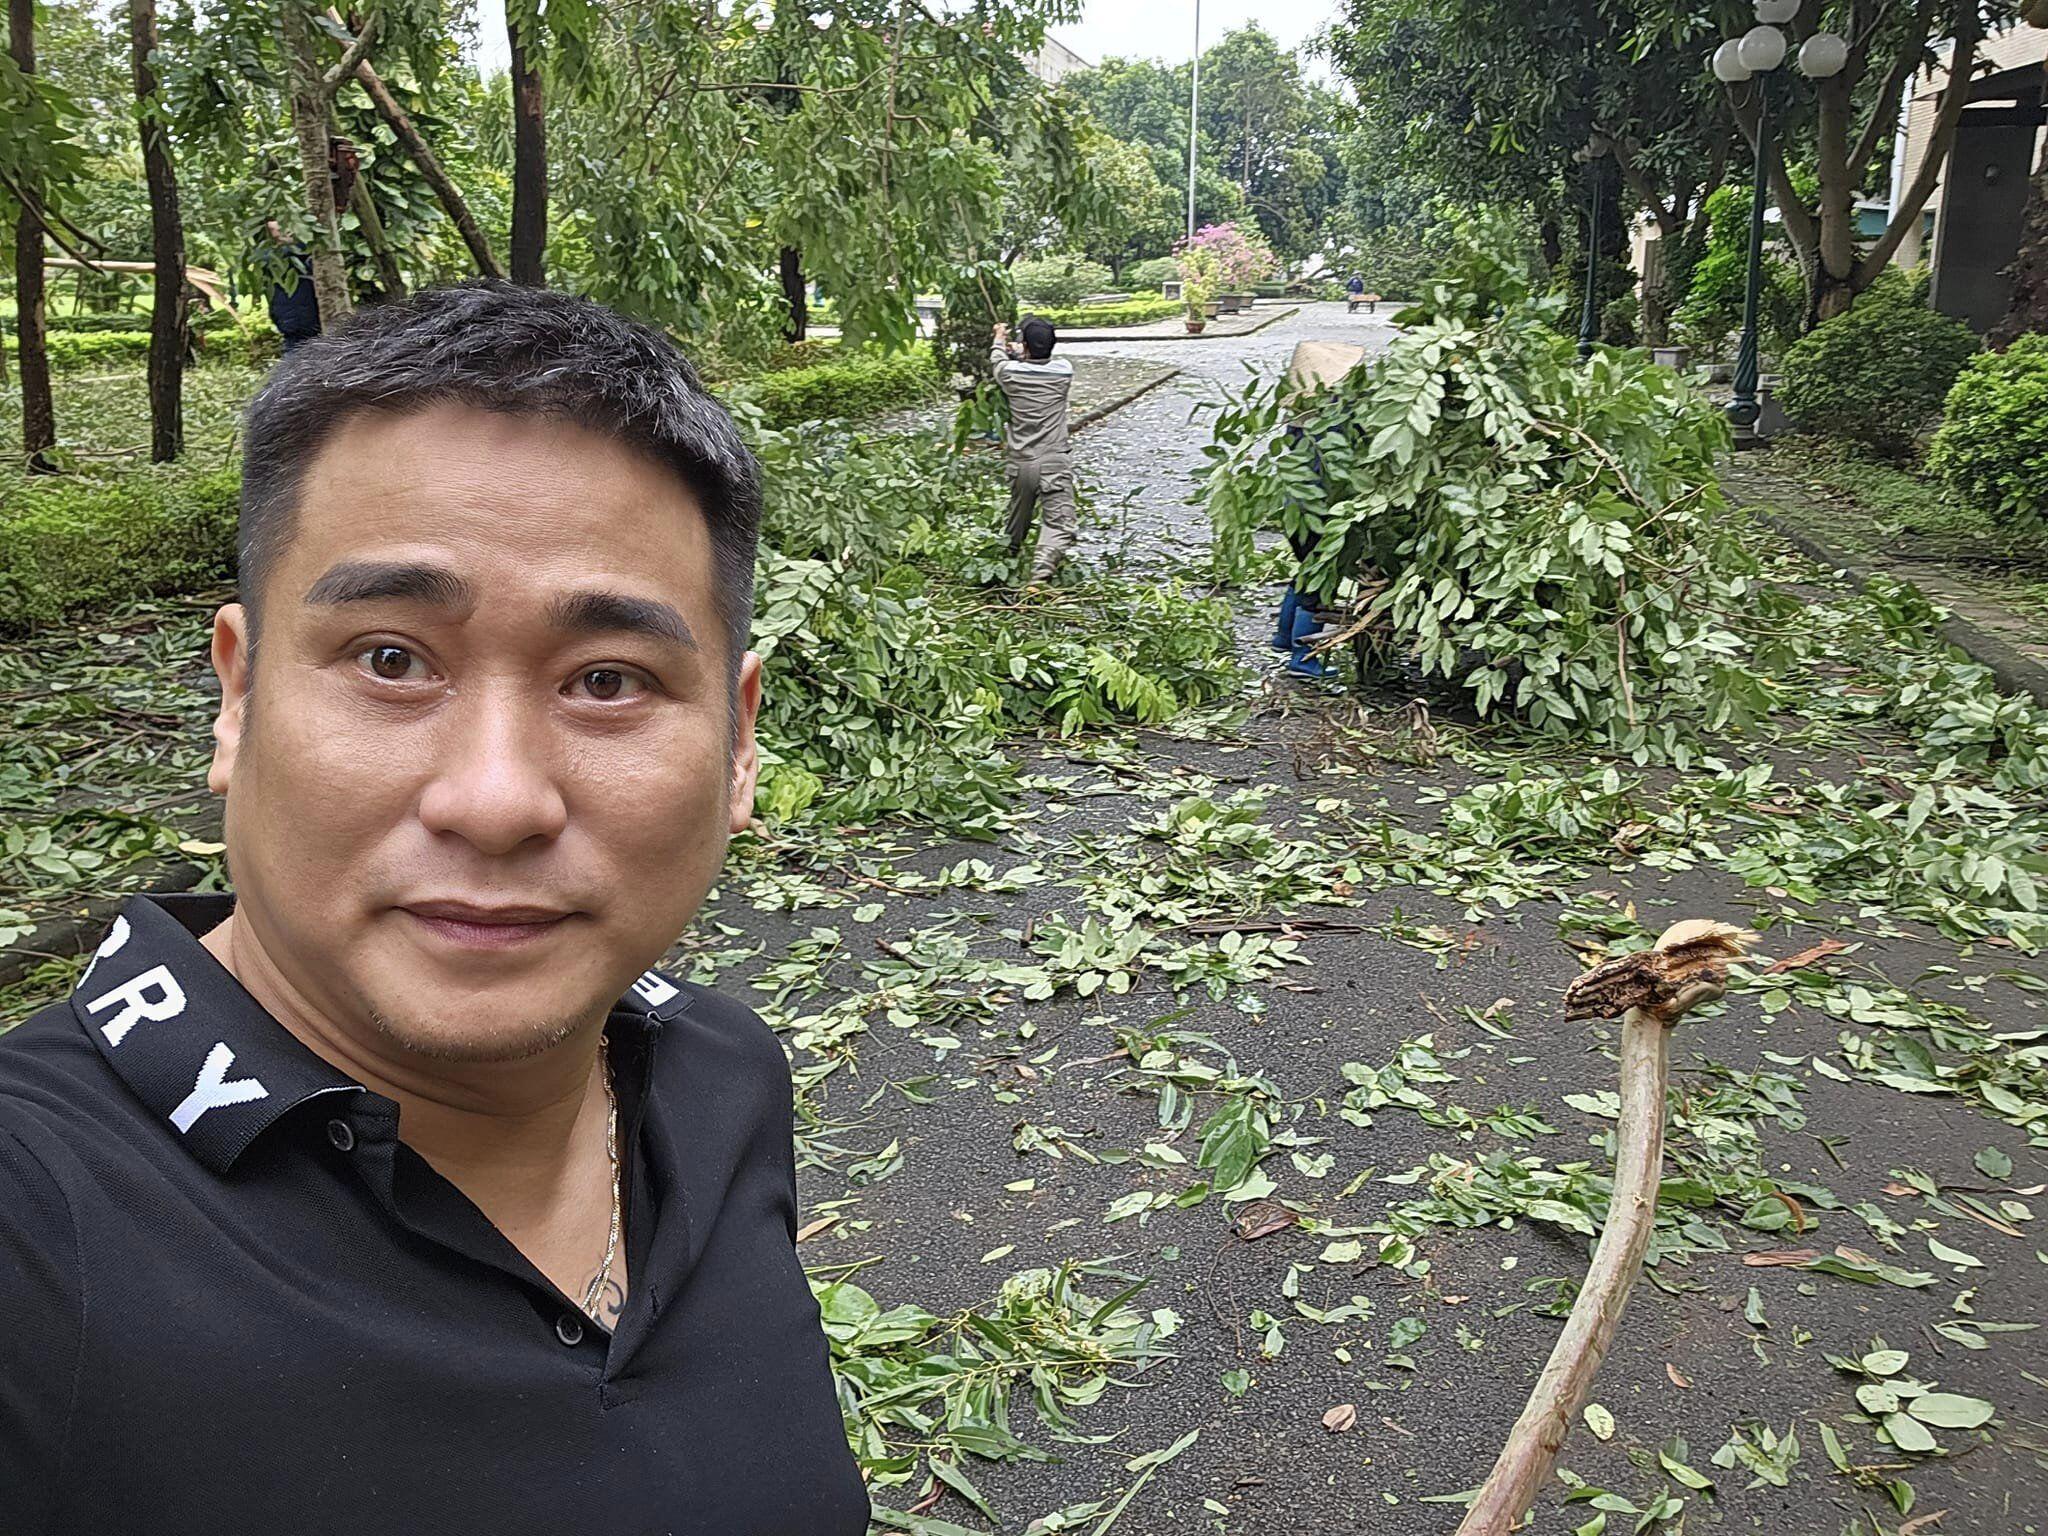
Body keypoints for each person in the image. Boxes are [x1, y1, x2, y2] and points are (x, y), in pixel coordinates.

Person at [0, 283, 869, 1535]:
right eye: (391, 660)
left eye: (607, 681)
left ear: (739, 746)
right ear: (236, 700)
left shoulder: (718, 1077)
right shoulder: (42, 1227)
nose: (496, 799)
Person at [991, 316, 1076, 583]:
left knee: (1018, 517)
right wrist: (1023, 349)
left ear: (1025, 345)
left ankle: (1005, 561)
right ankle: (1040, 575)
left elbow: (997, 357)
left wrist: (1000, 337)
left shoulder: (1008, 373)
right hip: (1053, 461)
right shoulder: (1064, 371)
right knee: (1060, 522)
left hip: (1020, 462)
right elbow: (1035, 360)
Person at [263, 218, 320, 353]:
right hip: (297, 317)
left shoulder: (272, 256)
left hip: (293, 316)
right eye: (277, 230)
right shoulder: (277, 257)